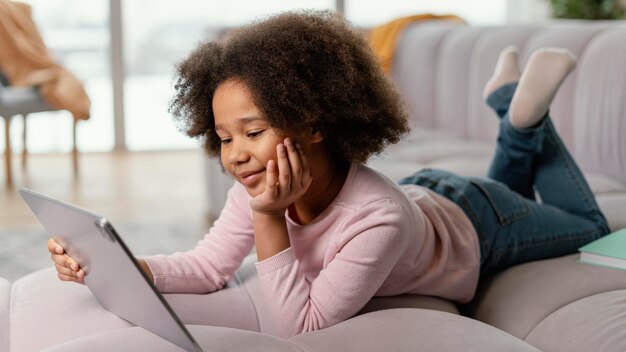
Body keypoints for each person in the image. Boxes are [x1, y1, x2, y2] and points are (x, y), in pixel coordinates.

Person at [47, 10, 609, 338]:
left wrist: (268, 218)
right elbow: (208, 266)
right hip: (432, 195)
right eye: (223, 138)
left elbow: (302, 326)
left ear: (314, 123)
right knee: (511, 185)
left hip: (483, 221)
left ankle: (523, 121)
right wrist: (125, 264)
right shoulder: (257, 186)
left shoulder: (376, 219)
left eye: (254, 131)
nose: (236, 155)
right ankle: (511, 112)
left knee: (588, 223)